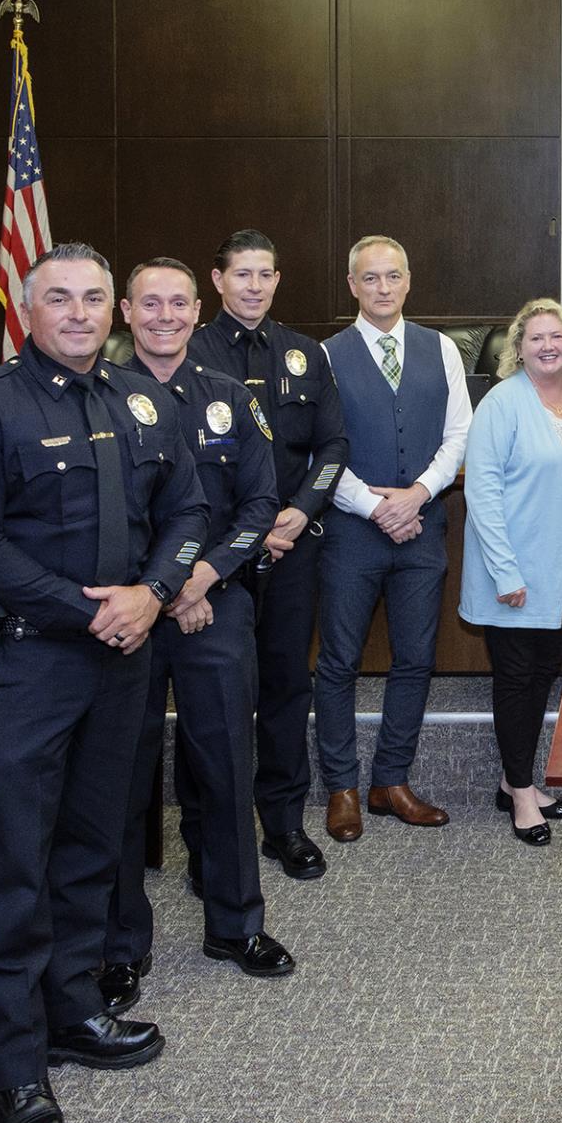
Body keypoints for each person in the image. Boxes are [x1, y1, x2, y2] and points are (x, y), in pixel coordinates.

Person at [0, 243, 208, 1123]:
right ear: (27, 306)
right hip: (32, 666)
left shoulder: (139, 398)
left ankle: (75, 1006)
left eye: (94, 297)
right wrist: (93, 607)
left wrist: (154, 593)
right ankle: (13, 1072)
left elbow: (189, 511)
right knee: (17, 864)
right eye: (62, 298)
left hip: (123, 658)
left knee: (95, 844)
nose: (82, 312)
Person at [103, 258, 294, 1012]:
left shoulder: (228, 399)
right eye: (149, 303)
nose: (164, 315)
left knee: (225, 764)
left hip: (215, 603)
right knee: (122, 777)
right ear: (126, 310)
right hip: (134, 614)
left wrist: (200, 580)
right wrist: (160, 592)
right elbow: (108, 518)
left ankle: (236, 923)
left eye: (177, 303)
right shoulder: (103, 400)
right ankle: (121, 945)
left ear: (195, 309)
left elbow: (260, 504)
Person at [188, 228, 349, 882]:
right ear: (217, 279)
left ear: (278, 280)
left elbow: (333, 446)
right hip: (216, 562)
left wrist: (300, 511)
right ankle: (206, 838)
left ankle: (283, 824)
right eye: (241, 274)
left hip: (290, 550)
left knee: (286, 686)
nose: (253, 286)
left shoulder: (305, 354)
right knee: (212, 699)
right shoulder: (189, 353)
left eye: (265, 274)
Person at [314, 235, 472, 842]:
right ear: (352, 285)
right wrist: (373, 505)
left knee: (415, 659)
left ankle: (390, 782)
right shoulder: (325, 356)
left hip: (422, 529)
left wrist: (419, 495)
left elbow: (459, 433)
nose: (383, 288)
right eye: (371, 278)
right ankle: (343, 788)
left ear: (409, 281)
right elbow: (320, 448)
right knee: (338, 663)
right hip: (351, 532)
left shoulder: (443, 350)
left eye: (394, 277)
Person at [459, 298, 562, 846]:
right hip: (518, 573)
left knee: (544, 673)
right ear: (516, 348)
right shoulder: (502, 403)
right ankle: (522, 792)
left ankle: (511, 777)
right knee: (518, 681)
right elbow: (482, 493)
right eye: (535, 338)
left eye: (558, 337)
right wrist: (505, 573)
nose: (548, 346)